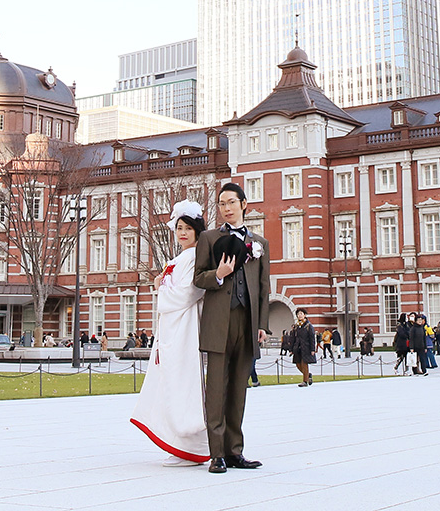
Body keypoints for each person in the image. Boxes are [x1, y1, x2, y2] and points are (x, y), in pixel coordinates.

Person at [193, 182, 270, 474]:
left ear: (243, 204)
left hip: (246, 322)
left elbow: (264, 287)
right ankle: (217, 455)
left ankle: (235, 451)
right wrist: (220, 274)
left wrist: (262, 324)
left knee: (239, 390)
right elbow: (198, 279)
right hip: (217, 322)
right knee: (216, 391)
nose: (226, 208)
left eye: (230, 203)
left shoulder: (260, 243)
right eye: (221, 204)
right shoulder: (208, 238)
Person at [130, 200, 210, 466]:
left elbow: (191, 292)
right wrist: (161, 286)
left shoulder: (197, 256)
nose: (183, 233)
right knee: (172, 383)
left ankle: (192, 445)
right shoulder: (180, 258)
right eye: (179, 228)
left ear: (197, 230)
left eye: (188, 228)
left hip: (185, 329)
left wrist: (161, 289)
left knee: (184, 383)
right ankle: (178, 445)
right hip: (172, 329)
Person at [289, 308, 316, 387]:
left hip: (306, 347)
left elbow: (312, 338)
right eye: (298, 314)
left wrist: (312, 349)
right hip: (297, 347)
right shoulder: (296, 326)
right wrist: (291, 349)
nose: (299, 315)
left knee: (304, 364)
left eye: (301, 314)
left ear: (305, 315)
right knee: (298, 364)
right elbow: (292, 338)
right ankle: (308, 375)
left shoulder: (308, 326)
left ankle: (305, 381)